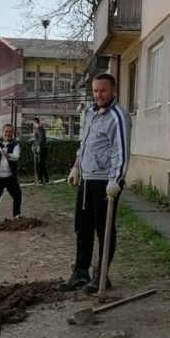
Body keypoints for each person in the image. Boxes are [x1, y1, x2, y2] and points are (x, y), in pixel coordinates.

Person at [59, 73, 130, 293]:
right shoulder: (90, 113)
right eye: (96, 91)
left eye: (103, 91)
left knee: (104, 230)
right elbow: (85, 143)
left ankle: (101, 276)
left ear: (114, 91)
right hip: (87, 179)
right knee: (82, 227)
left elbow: (122, 151)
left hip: (105, 183)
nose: (98, 95)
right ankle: (81, 272)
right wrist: (76, 167)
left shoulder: (118, 117)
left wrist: (115, 180)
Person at [32, 117, 49, 184]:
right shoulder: (38, 129)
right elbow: (37, 139)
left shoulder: (39, 129)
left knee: (39, 164)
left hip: (41, 149)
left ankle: (43, 179)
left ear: (35, 122)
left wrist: (39, 147)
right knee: (40, 164)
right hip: (39, 148)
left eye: (33, 123)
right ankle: (42, 179)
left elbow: (42, 138)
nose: (32, 124)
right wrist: (34, 146)